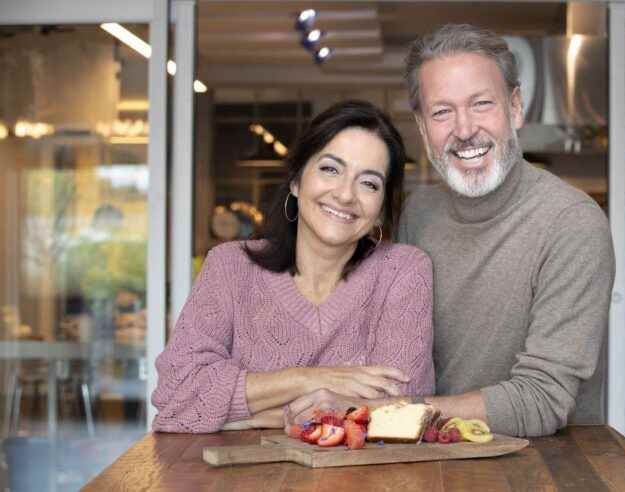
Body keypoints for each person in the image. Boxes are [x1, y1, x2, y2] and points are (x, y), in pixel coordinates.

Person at [285, 24, 615, 438]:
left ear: (515, 108)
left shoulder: (572, 223)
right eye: (442, 111)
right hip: (430, 455)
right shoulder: (418, 212)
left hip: (541, 465)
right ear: (423, 128)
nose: (463, 129)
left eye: (481, 104)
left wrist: (379, 410)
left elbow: (542, 400)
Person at [151, 100, 435, 433]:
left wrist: (242, 415)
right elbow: (176, 396)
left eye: (369, 183)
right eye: (330, 169)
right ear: (296, 181)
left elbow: (400, 408)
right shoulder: (230, 266)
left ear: (383, 206)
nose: (345, 195)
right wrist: (309, 379)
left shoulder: (403, 271)